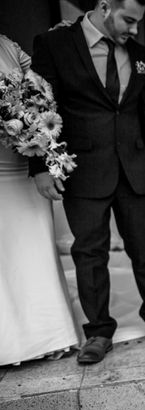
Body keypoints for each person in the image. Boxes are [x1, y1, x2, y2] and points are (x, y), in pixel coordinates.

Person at [31, 0, 145, 364]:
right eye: (129, 20)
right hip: (84, 168)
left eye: (139, 22)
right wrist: (39, 166)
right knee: (89, 252)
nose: (135, 30)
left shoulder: (139, 53)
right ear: (103, 7)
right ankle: (97, 331)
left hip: (134, 166)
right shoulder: (55, 45)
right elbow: (39, 105)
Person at [0, 34, 81, 366]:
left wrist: (43, 150)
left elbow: (40, 92)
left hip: (20, 155)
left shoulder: (7, 45)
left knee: (33, 241)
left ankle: (48, 334)